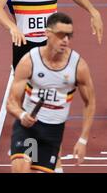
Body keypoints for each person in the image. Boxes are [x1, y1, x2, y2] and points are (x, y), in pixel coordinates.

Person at [7, 12, 96, 173]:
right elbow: (11, 102)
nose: (65, 40)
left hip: (53, 131)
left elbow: (90, 102)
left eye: (69, 36)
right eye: (61, 35)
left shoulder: (78, 66)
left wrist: (83, 140)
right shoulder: (30, 61)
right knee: (21, 168)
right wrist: (21, 115)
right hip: (28, 128)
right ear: (48, 33)